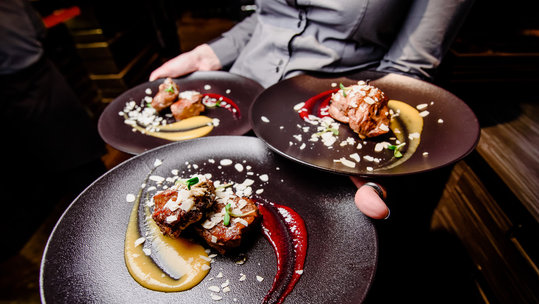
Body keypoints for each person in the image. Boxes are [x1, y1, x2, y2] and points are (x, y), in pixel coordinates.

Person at [149, 0, 474, 220]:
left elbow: (409, 65)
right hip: (238, 99)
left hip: (322, 137)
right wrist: (211, 53)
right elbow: (269, 18)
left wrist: (366, 134)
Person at [1, 0, 107, 258]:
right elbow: (38, 28)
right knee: (79, 167)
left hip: (30, 83)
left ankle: (98, 230)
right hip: (37, 78)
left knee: (80, 170)